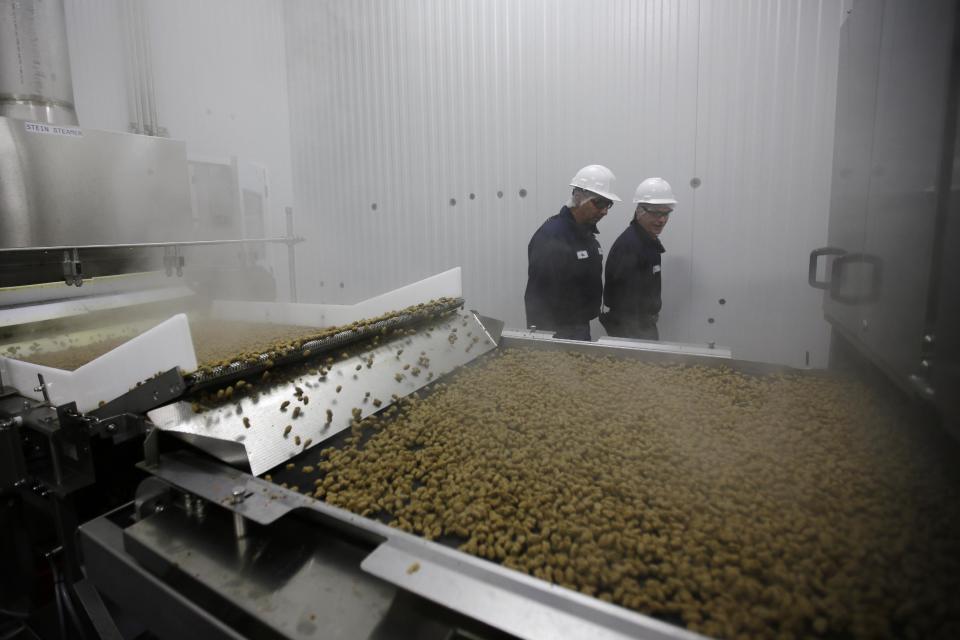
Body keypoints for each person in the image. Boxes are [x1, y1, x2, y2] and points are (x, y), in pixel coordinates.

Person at [523, 165, 621, 340]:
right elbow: (537, 295)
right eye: (599, 203)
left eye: (609, 205)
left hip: (580, 326)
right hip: (557, 331)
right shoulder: (552, 236)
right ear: (578, 196)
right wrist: (541, 339)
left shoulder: (586, 234)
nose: (605, 211)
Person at [600, 177, 676, 340]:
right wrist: (635, 337)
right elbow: (624, 301)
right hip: (631, 330)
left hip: (642, 326)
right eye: (656, 213)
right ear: (640, 211)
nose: (662, 220)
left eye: (666, 213)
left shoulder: (648, 241)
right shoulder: (630, 246)